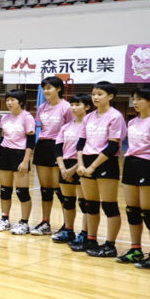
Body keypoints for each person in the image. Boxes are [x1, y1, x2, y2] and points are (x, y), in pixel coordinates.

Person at [117, 85, 150, 265]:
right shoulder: (132, 122)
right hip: (131, 164)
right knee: (132, 211)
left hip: (149, 166)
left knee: (149, 212)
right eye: (134, 99)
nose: (135, 102)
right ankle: (135, 249)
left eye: (139, 99)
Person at [75, 80, 127, 257]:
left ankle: (110, 245)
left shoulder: (115, 116)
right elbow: (81, 142)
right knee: (90, 205)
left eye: (100, 94)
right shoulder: (89, 117)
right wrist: (81, 164)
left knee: (109, 205)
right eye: (93, 94)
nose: (95, 97)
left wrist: (92, 166)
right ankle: (91, 239)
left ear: (110, 96)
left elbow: (113, 146)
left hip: (105, 162)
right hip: (87, 162)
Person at [31, 77, 73, 236]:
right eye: (44, 88)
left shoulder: (67, 107)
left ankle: (66, 225)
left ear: (59, 89)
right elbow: (41, 128)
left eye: (49, 88)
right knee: (45, 189)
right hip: (43, 145)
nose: (46, 91)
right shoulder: (42, 107)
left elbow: (71, 129)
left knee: (59, 188)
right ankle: (45, 222)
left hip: (59, 146)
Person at [0, 90, 36, 235]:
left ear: (21, 102)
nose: (9, 103)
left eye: (13, 100)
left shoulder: (27, 117)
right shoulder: (5, 118)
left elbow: (31, 141)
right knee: (5, 190)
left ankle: (24, 223)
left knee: (22, 192)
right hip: (5, 153)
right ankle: (5, 219)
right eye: (8, 100)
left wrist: (25, 161)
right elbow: (2, 139)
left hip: (20, 154)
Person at [52, 93, 89, 247]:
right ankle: (68, 229)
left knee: (84, 202)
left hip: (80, 165)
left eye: (77, 105)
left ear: (87, 107)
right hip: (65, 165)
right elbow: (58, 148)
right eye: (72, 105)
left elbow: (88, 149)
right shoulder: (66, 127)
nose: (73, 108)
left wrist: (73, 169)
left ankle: (85, 233)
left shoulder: (89, 125)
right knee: (67, 201)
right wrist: (62, 168)